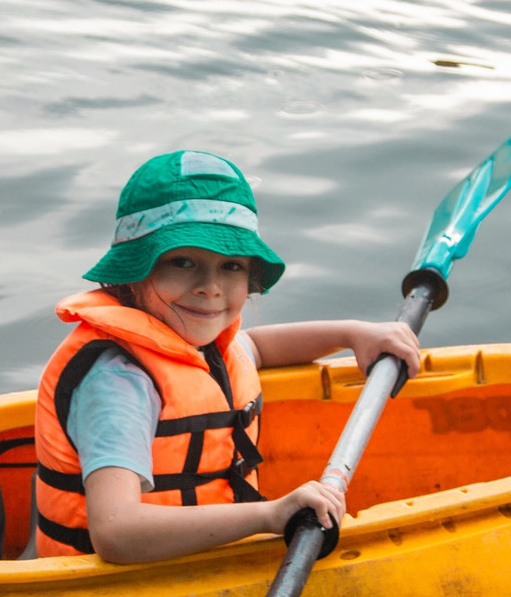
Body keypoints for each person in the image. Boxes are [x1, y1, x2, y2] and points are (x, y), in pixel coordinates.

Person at [32, 151, 422, 563]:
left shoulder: (196, 343)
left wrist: (351, 333)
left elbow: (257, 347)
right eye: (182, 261)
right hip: (120, 590)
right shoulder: (119, 382)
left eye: (231, 266)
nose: (210, 287)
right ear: (134, 271)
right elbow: (117, 533)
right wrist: (270, 516)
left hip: (189, 563)